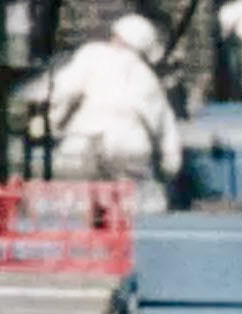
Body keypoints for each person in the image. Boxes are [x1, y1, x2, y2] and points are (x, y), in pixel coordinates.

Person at [46, 14, 184, 186]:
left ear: (116, 36)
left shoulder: (93, 53)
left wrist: (53, 124)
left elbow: (64, 91)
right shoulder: (148, 78)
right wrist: (170, 167)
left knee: (73, 193)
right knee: (126, 201)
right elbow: (164, 126)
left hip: (85, 142)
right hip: (131, 146)